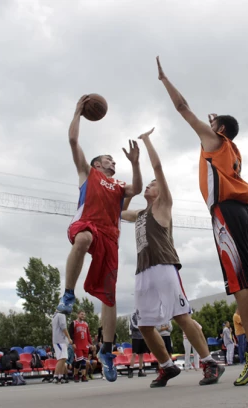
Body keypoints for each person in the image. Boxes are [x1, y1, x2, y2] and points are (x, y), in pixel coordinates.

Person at [157, 56, 248, 386]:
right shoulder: (232, 149)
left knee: (239, 283)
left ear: (217, 130)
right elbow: (218, 128)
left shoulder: (214, 142)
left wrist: (164, 80)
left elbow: (183, 108)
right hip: (246, 213)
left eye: (213, 126)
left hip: (226, 214)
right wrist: (218, 121)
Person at [121, 129, 223, 387]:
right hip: (143, 271)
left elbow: (157, 166)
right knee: (144, 325)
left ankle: (210, 363)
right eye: (149, 183)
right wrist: (133, 165)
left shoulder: (163, 204)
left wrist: (146, 141)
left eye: (152, 184)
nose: (149, 185)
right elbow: (120, 211)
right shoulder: (141, 213)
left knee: (180, 316)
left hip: (164, 267)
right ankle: (167, 366)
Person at [57, 95, 143, 382]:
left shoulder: (119, 186)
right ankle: (68, 293)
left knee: (109, 295)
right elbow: (72, 142)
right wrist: (78, 113)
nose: (112, 161)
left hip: (110, 235)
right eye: (109, 158)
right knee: (81, 239)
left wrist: (135, 163)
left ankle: (106, 349)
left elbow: (139, 188)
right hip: (88, 223)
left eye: (113, 160)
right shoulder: (87, 173)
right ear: (96, 162)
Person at [68, 311, 92, 383]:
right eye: (81, 314)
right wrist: (73, 343)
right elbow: (71, 334)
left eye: (84, 315)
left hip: (85, 344)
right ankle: (75, 374)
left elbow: (88, 335)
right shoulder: (74, 323)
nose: (83, 316)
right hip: (78, 344)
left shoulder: (86, 324)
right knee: (79, 360)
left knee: (84, 361)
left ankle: (83, 376)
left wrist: (91, 343)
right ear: (78, 314)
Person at [52, 307, 72, 384]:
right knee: (62, 358)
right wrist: (69, 338)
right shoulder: (61, 315)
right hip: (60, 340)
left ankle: (60, 376)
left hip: (58, 340)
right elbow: (64, 327)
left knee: (63, 359)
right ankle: (56, 376)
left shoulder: (56, 315)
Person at [128, 311, 148, 379]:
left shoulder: (143, 313)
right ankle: (131, 370)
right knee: (134, 353)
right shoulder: (133, 314)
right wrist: (141, 327)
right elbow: (133, 325)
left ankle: (140, 370)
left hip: (142, 336)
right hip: (135, 337)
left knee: (141, 354)